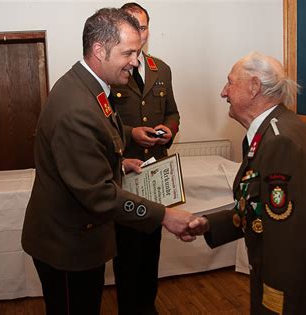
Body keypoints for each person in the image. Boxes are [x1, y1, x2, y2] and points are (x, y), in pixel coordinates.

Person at [21, 8, 194, 315]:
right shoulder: (77, 107)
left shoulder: (92, 88)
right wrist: (163, 216)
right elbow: (99, 195)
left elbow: (100, 146)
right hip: (67, 246)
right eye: (128, 53)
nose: (135, 61)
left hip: (81, 237)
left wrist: (120, 165)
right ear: (99, 50)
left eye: (137, 52)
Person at [188, 52, 306, 314]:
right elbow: (260, 209)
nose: (223, 92)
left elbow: (290, 246)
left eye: (230, 82)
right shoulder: (271, 132)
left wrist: (274, 305)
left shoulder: (281, 141)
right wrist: (208, 224)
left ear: (253, 87)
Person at [110, 3, 180, 315]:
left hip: (156, 172)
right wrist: (130, 134)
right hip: (125, 172)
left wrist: (169, 129)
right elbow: (101, 122)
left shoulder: (160, 69)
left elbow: (173, 112)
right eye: (133, 26)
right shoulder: (111, 71)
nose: (140, 32)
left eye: (144, 26)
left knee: (151, 248)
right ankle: (129, 309)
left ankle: (147, 307)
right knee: (127, 251)